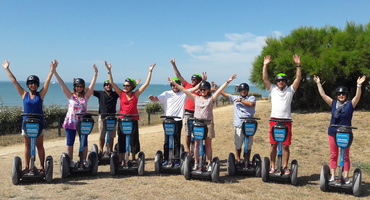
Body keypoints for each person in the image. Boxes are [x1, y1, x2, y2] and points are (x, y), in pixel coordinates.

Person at [169, 74, 237, 172]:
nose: (202, 91)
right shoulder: (196, 98)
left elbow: (219, 90)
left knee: (208, 144)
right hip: (197, 123)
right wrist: (174, 83)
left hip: (208, 123)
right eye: (201, 90)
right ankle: (196, 163)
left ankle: (209, 163)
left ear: (208, 90)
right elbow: (184, 90)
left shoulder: (211, 99)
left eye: (204, 90)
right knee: (196, 144)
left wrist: (228, 81)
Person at [3, 59, 56, 173]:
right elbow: (14, 81)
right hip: (26, 123)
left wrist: (52, 70)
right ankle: (27, 167)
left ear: (37, 85)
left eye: (35, 83)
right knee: (27, 145)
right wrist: (7, 69)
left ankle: (42, 167)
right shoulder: (24, 94)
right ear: (28, 85)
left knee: (39, 145)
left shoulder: (40, 94)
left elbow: (47, 81)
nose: (33, 85)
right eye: (31, 83)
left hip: (39, 123)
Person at [313, 75, 366, 184]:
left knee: (345, 155)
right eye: (339, 94)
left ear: (346, 95)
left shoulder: (350, 104)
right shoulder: (333, 103)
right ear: (337, 95)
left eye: (343, 94)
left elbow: (357, 96)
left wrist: (359, 85)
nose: (341, 95)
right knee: (334, 154)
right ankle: (332, 175)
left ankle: (345, 176)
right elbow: (323, 95)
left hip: (346, 134)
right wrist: (318, 83)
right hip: (333, 133)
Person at [106, 60, 155, 166]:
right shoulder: (121, 93)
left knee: (133, 139)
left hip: (133, 119)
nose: (125, 87)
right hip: (122, 119)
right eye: (124, 85)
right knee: (122, 139)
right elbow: (112, 83)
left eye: (127, 85)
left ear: (131, 87)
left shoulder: (135, 94)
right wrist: (109, 70)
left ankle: (133, 158)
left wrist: (150, 71)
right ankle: (123, 159)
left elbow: (146, 84)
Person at [53, 60, 98, 168]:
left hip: (83, 122)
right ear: (75, 87)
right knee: (70, 142)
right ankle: (70, 161)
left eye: (81, 86)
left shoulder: (86, 96)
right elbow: (62, 84)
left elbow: (92, 86)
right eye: (77, 86)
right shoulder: (70, 96)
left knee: (84, 141)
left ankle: (83, 160)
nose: (79, 88)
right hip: (71, 122)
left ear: (83, 87)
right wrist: (54, 71)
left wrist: (95, 74)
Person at [262, 54, 302, 175]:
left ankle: (284, 167)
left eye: (283, 80)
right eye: (279, 80)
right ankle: (273, 166)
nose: (281, 82)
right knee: (273, 145)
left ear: (285, 82)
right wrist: (265, 65)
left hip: (286, 121)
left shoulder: (290, 90)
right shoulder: (273, 89)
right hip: (274, 120)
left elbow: (298, 78)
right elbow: (265, 79)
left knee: (285, 146)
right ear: (276, 82)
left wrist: (298, 65)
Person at [148, 78, 200, 167]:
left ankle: (176, 159)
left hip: (177, 120)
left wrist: (202, 80)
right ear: (171, 86)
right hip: (167, 120)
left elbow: (194, 89)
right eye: (173, 85)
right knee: (167, 140)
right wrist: (152, 98)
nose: (175, 87)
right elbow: (156, 99)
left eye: (176, 85)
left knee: (176, 140)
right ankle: (166, 159)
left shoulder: (184, 93)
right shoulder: (166, 93)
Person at [213, 82, 256, 166]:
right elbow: (225, 94)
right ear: (239, 91)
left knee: (249, 144)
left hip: (249, 125)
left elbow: (251, 104)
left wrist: (241, 101)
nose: (243, 91)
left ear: (247, 90)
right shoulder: (235, 97)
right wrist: (217, 88)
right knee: (238, 144)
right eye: (242, 90)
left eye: (245, 90)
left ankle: (247, 160)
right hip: (239, 124)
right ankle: (238, 159)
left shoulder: (251, 97)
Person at [170, 58, 204, 153]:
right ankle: (188, 150)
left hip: (198, 113)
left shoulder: (202, 89)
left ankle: (197, 150)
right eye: (192, 79)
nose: (193, 81)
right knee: (188, 133)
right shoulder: (187, 85)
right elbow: (178, 75)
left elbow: (210, 92)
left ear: (199, 81)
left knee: (197, 133)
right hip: (188, 112)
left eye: (195, 79)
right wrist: (174, 64)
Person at [93, 80, 119, 157]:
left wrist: (134, 84)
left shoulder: (115, 94)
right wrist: (80, 85)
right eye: (106, 85)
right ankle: (101, 151)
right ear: (104, 86)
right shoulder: (100, 93)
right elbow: (89, 90)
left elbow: (125, 91)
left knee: (111, 135)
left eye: (110, 85)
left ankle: (110, 151)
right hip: (102, 117)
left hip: (112, 118)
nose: (108, 86)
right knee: (102, 135)